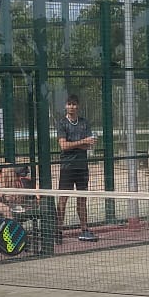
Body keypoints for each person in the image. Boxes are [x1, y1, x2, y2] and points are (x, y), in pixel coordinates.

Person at [54, 94, 99, 242]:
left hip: (82, 167)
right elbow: (63, 146)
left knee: (82, 199)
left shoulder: (84, 123)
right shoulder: (62, 123)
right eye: (69, 104)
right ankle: (58, 230)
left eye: (74, 104)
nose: (72, 107)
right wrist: (82, 142)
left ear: (78, 106)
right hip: (67, 167)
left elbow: (89, 145)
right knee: (63, 199)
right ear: (66, 106)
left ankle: (84, 230)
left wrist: (77, 144)